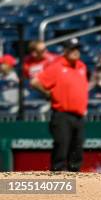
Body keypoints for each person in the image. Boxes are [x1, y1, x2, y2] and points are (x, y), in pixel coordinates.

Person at [31, 38, 88, 171]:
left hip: (79, 115)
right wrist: (47, 93)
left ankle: (76, 177)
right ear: (65, 51)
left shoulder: (82, 66)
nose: (75, 52)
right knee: (62, 146)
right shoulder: (57, 67)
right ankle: (58, 175)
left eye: (77, 49)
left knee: (77, 147)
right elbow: (35, 81)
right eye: (72, 49)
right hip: (62, 115)